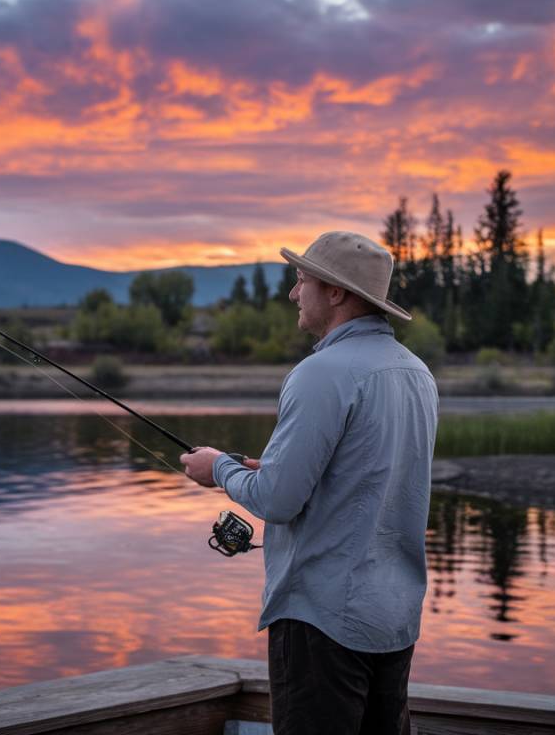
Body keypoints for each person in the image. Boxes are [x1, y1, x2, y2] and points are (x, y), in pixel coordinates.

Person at [180, 231, 438, 735]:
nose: (294, 294)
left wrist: (218, 470)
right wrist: (270, 469)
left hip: (322, 622)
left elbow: (276, 501)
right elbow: (368, 478)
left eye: (302, 281)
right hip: (395, 620)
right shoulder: (416, 373)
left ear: (336, 293)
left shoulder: (320, 372)